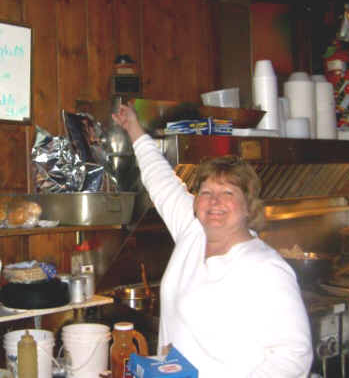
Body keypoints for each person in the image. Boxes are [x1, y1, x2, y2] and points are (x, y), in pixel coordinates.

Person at [112, 104, 313, 377]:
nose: (215, 201)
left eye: (228, 193)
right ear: (196, 202)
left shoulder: (265, 268)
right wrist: (133, 127)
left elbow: (294, 357)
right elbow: (159, 179)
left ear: (248, 206)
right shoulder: (193, 231)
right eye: (206, 192)